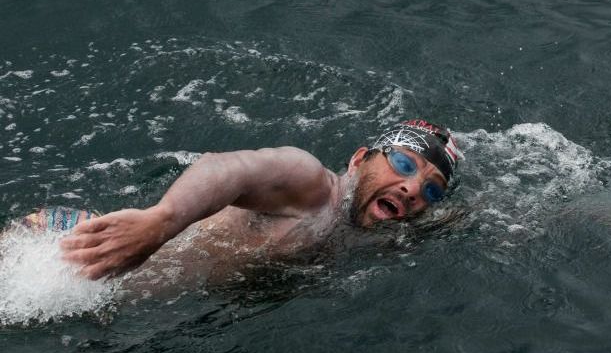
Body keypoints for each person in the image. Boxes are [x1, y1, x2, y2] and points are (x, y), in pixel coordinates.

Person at [47, 120, 462, 284]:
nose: (411, 188)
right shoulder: (311, 185)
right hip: (79, 247)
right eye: (404, 164)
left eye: (431, 190)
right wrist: (160, 222)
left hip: (115, 292)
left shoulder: (382, 232)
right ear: (358, 160)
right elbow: (231, 169)